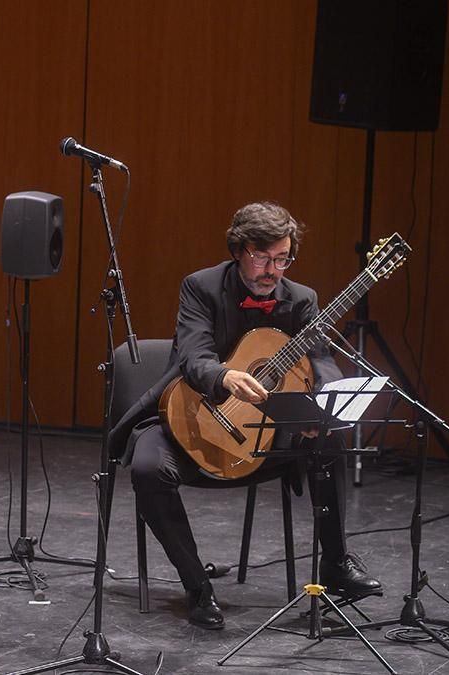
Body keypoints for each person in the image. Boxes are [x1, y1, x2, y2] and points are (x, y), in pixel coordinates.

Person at [108, 201, 383, 630]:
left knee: (327, 438)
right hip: (195, 415)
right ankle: (197, 585)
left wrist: (322, 406)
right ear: (238, 250)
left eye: (283, 259)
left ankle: (335, 563)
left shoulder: (302, 300)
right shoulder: (200, 287)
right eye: (262, 258)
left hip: (264, 434)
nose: (273, 270)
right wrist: (226, 377)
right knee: (147, 467)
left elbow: (322, 361)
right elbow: (193, 357)